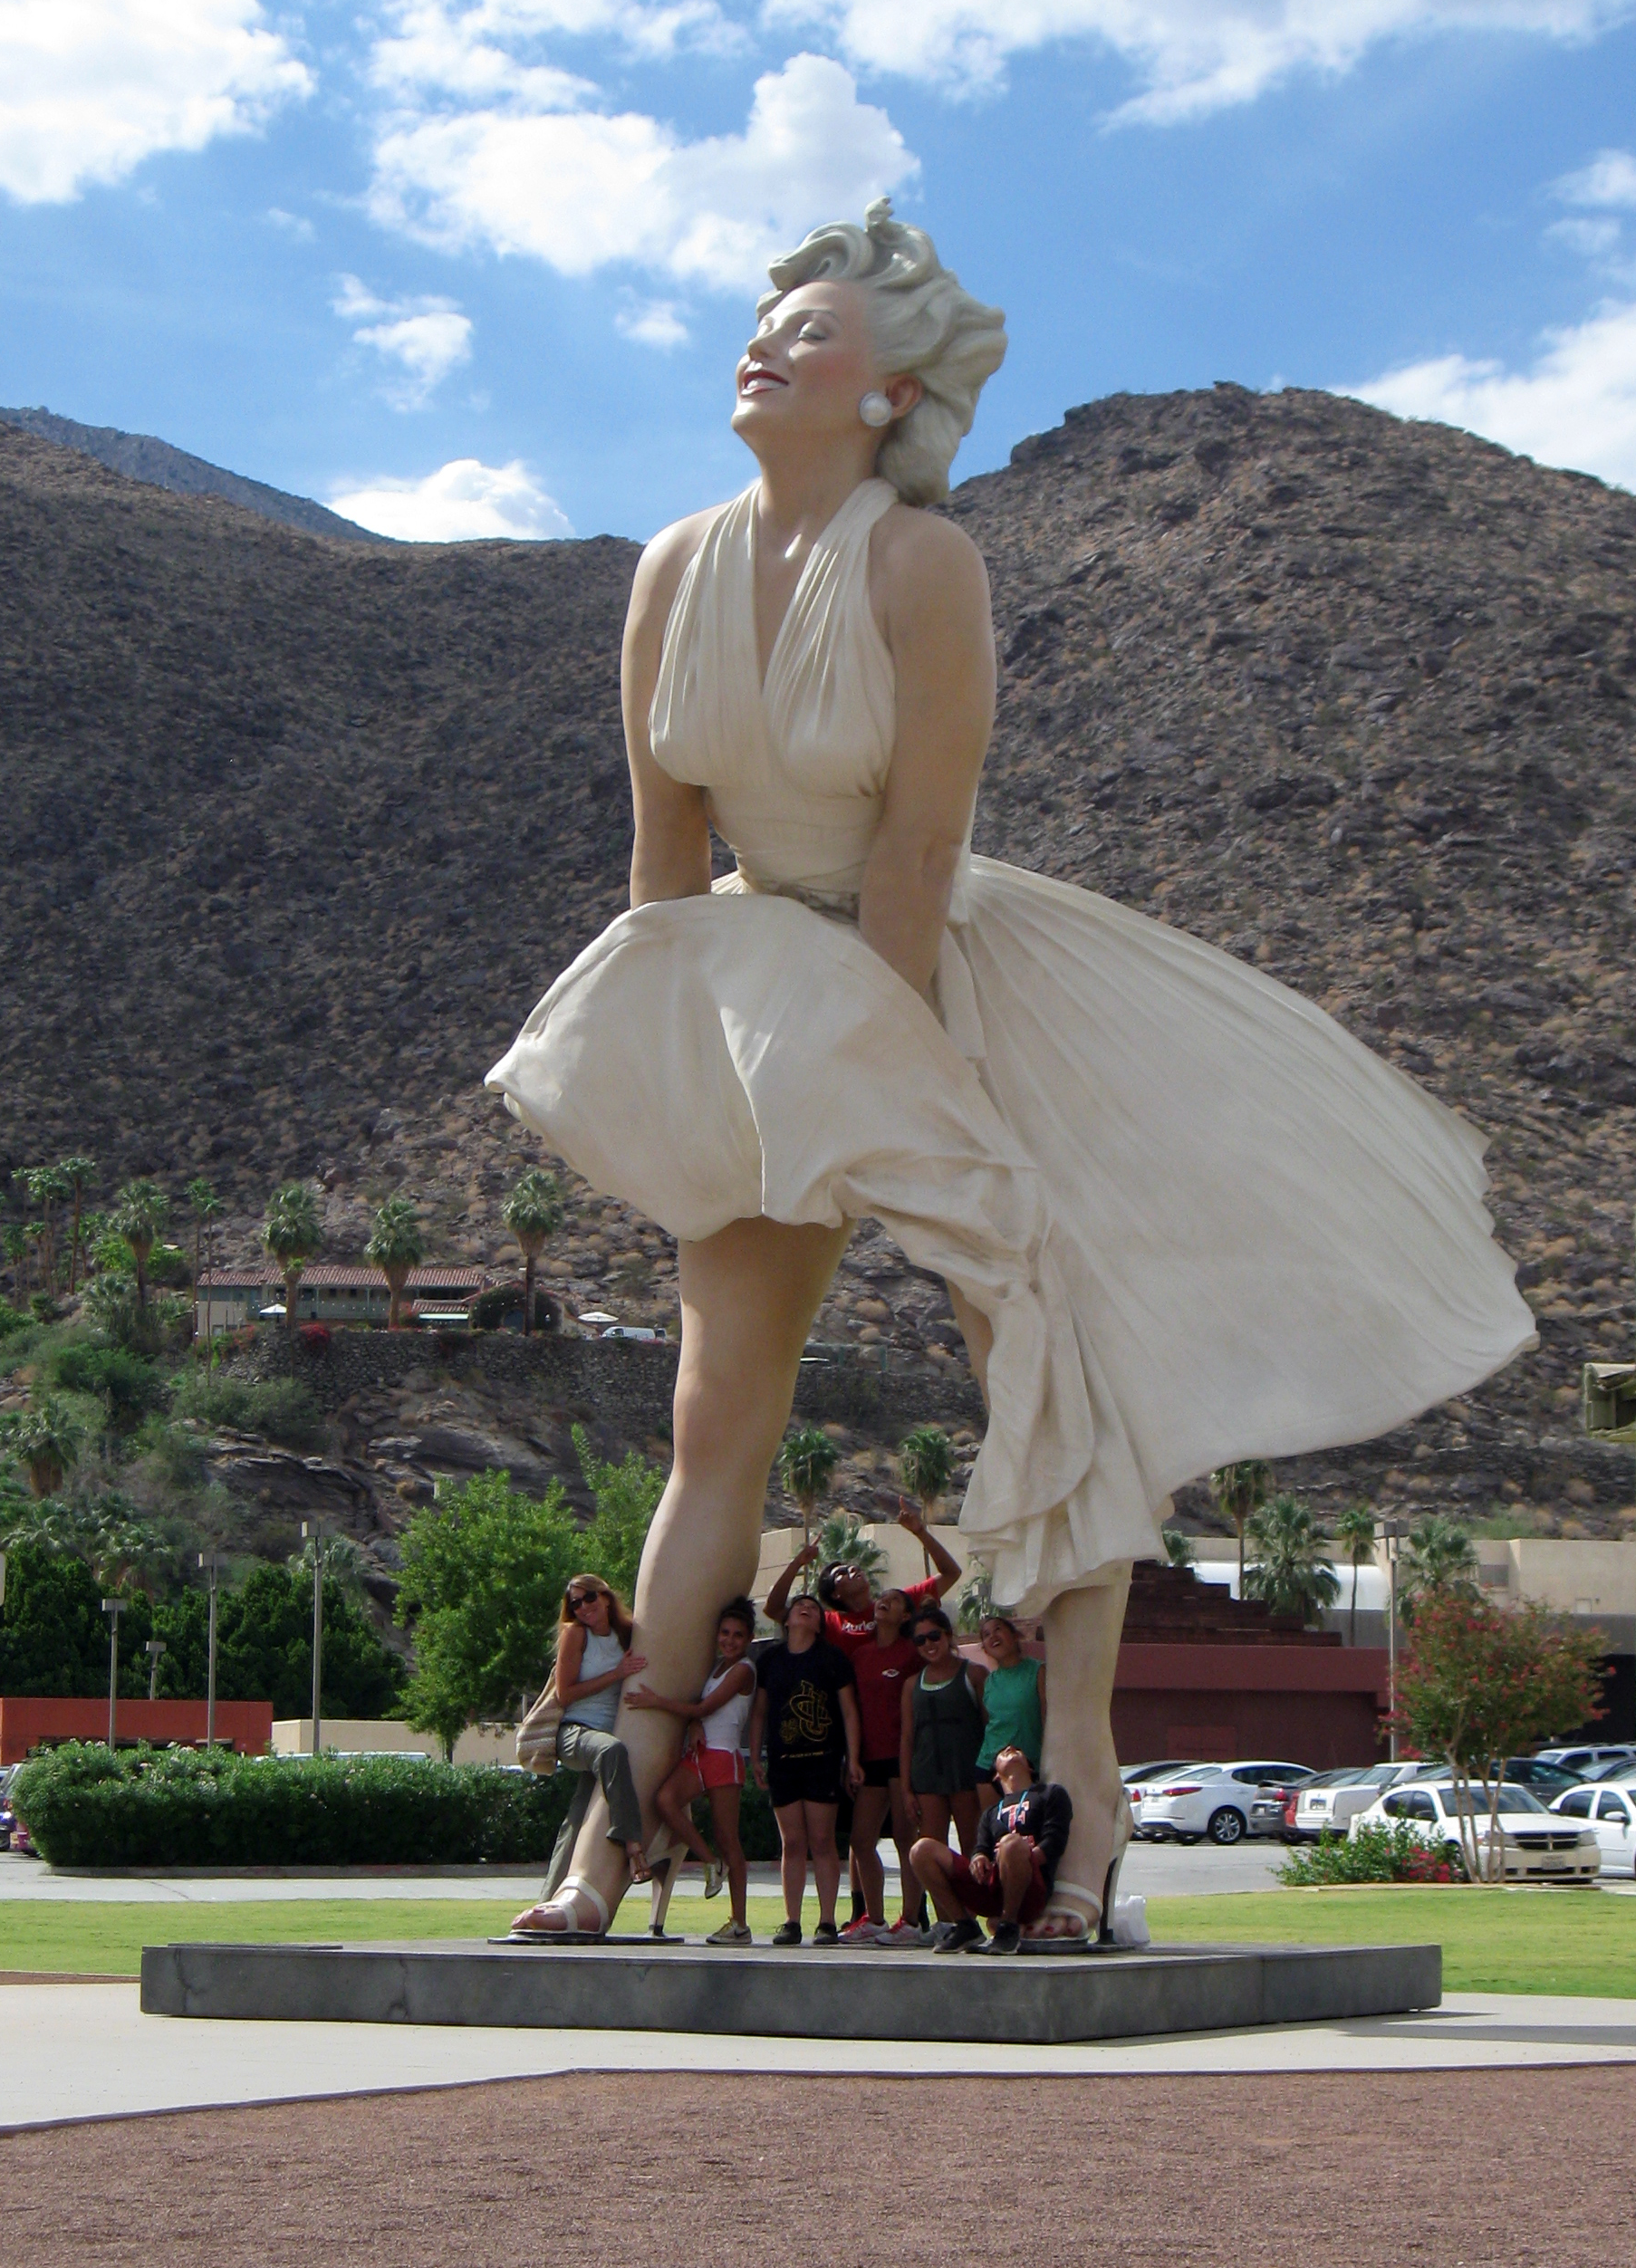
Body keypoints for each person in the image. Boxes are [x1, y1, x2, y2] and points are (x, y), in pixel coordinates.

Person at [486, 197, 1535, 1944]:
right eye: (762, 326)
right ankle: (609, 1835)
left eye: (810, 333)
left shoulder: (920, 565)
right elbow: (661, 865)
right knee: (710, 1422)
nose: (764, 347)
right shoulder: (670, 569)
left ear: (887, 394)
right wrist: (669, 1079)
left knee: (1045, 1388)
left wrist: (878, 1084)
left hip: (929, 988)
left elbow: (914, 849)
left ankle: (1083, 1804)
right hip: (747, 988)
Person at [513, 1575, 649, 1938]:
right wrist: (616, 1674)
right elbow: (565, 1693)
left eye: (588, 1598)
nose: (582, 1607)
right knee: (613, 1750)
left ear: (605, 1597)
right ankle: (632, 1844)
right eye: (574, 1603)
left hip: (602, 1739)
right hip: (575, 1733)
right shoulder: (576, 1635)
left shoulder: (626, 1633)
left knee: (575, 1822)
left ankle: (543, 1906)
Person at [627, 1595, 757, 1946]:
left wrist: (656, 1702)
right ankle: (709, 1861)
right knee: (665, 1800)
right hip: (699, 1754)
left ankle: (740, 1924)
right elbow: (701, 1712)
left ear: (749, 1639)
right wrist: (694, 1725)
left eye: (738, 1635)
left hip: (723, 1757)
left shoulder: (744, 1670)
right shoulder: (715, 1667)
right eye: (725, 1633)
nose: (729, 1640)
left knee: (729, 1840)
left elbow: (705, 1708)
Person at [749, 1592, 862, 1946]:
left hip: (822, 1761)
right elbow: (759, 1712)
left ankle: (827, 1921)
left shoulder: (832, 1658)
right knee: (792, 1842)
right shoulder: (771, 1660)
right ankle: (791, 1921)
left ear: (819, 1624)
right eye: (800, 1606)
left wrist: (853, 1759)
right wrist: (755, 1757)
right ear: (786, 1620)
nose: (806, 1609)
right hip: (783, 1762)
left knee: (822, 1840)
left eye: (814, 1608)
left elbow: (849, 1712)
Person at [912, 1744, 1072, 1954]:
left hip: (1030, 1887)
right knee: (921, 1849)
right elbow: (982, 1847)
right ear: (996, 1775)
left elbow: (1054, 1841)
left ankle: (1008, 1927)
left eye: (1018, 1750)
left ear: (1030, 1767)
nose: (1010, 1748)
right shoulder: (991, 1813)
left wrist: (1020, 1856)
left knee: (1011, 1843)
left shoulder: (1050, 1793)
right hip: (993, 1885)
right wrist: (979, 1858)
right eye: (1003, 1753)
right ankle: (964, 1925)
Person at [842, 1586, 927, 1945]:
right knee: (861, 1840)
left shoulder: (912, 1653)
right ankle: (874, 1918)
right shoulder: (860, 1655)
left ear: (905, 1615)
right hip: (870, 1758)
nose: (884, 1602)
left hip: (903, 1757)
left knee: (906, 1838)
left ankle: (911, 1921)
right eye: (882, 1598)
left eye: (894, 1601)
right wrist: (853, 1758)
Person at [763, 1502, 961, 1654]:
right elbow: (773, 1609)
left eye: (851, 1567)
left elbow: (951, 1573)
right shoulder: (829, 1623)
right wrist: (797, 1563)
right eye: (841, 1573)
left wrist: (920, 1532)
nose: (852, 1570)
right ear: (835, 1594)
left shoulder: (895, 1604)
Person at [899, 1605, 986, 1901]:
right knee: (930, 1848)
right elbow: (907, 1738)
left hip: (966, 1775)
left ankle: (978, 1909)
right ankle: (949, 1918)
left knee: (973, 1847)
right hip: (927, 1777)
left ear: (948, 1635)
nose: (929, 1644)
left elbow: (989, 1726)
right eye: (920, 1640)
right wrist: (906, 1789)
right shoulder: (912, 1684)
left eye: (934, 1636)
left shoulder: (974, 1674)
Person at [974, 1614, 1044, 1815]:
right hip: (987, 1767)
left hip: (1026, 1767)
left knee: (1025, 1828)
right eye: (986, 1635)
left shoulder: (1037, 1671)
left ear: (1014, 1636)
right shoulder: (990, 1682)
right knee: (995, 1830)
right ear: (985, 1648)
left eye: (998, 1629)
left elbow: (1047, 1718)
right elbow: (988, 1722)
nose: (993, 1636)